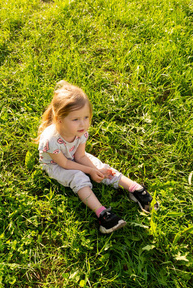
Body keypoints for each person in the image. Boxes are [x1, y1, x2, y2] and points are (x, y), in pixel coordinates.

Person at [36, 81, 158, 234]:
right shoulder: (51, 140)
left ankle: (134, 189)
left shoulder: (80, 131)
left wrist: (96, 170)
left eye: (86, 117)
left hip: (73, 157)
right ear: (59, 119)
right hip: (56, 165)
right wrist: (89, 171)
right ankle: (103, 214)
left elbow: (80, 156)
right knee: (78, 177)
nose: (83, 123)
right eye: (76, 119)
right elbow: (66, 164)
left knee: (101, 167)